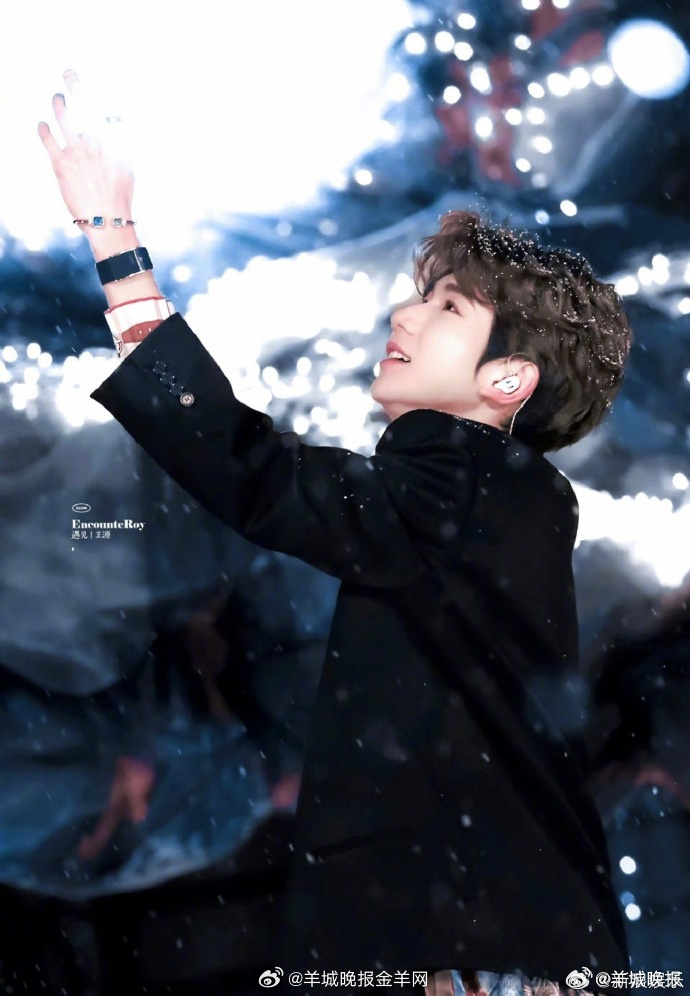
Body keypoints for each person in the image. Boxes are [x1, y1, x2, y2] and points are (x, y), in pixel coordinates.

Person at [38, 72, 633, 996]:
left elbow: (255, 472)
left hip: (462, 946)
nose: (405, 314)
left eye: (448, 308)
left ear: (508, 381)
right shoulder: (499, 500)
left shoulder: (466, 483)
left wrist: (115, 240)